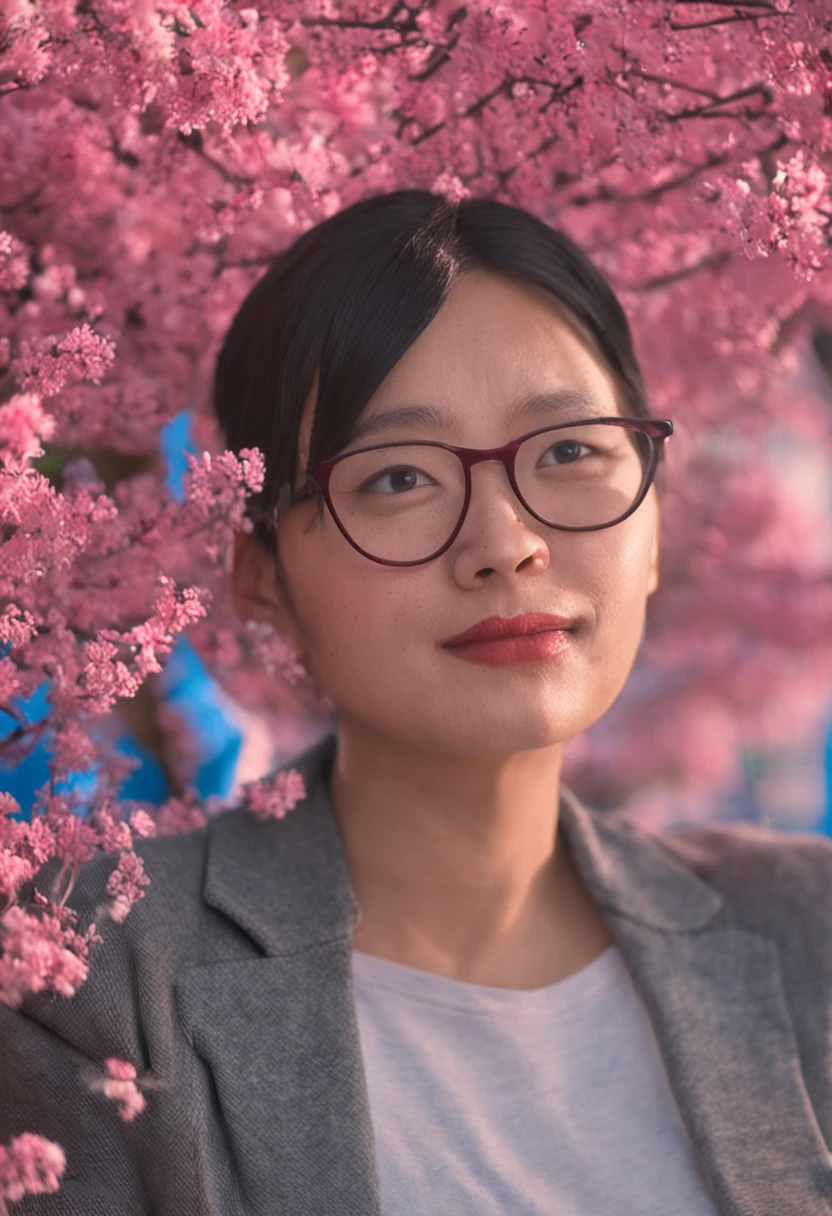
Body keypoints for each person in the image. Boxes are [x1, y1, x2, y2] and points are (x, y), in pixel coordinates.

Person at [2, 190, 831, 1216]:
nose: (503, 542)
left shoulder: (810, 933)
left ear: (655, 517)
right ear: (261, 575)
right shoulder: (91, 982)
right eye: (397, 477)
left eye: (570, 451)